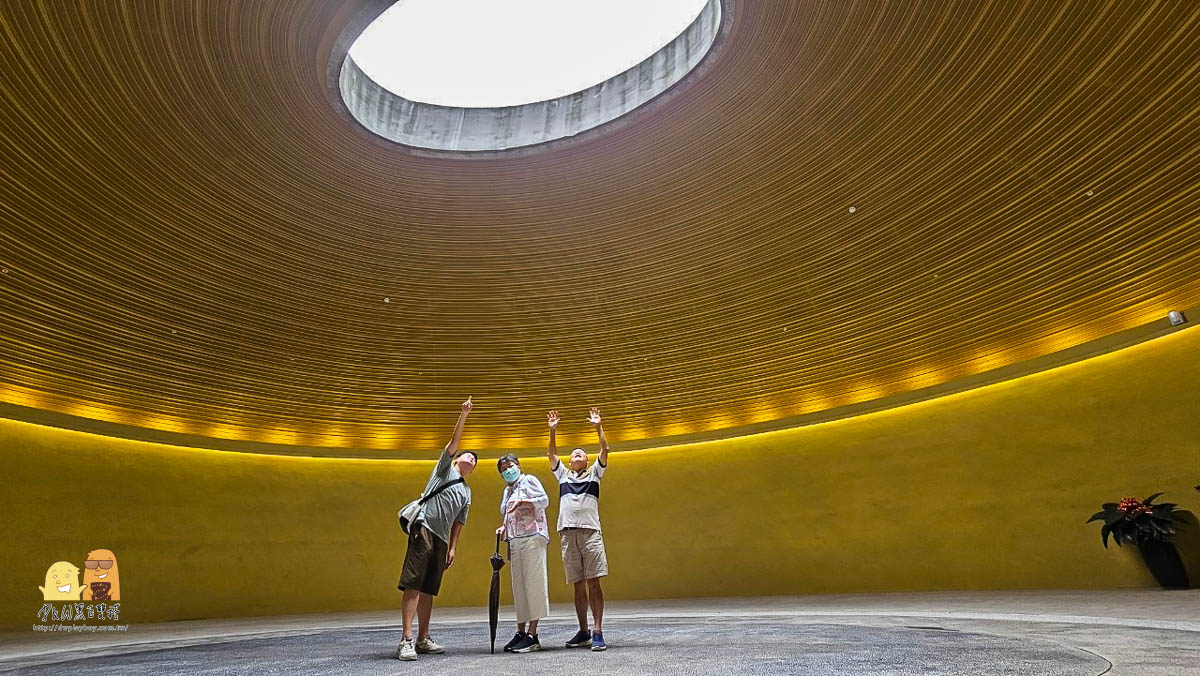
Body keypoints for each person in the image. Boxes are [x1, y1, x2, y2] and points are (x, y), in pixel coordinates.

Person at [397, 397, 477, 661]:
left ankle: (423, 638)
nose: (471, 460)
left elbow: (459, 521)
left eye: (475, 462)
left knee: (429, 588)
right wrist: (463, 415)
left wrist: (453, 547)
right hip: (425, 528)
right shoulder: (444, 470)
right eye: (468, 455)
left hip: (442, 539)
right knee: (413, 583)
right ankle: (406, 639)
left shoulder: (466, 491)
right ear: (456, 459)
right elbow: (453, 443)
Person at [546, 407, 611, 652]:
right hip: (567, 532)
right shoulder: (563, 475)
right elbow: (552, 454)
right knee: (577, 583)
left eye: (581, 453)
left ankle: (597, 631)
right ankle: (583, 631)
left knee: (594, 582)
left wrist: (598, 426)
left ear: (586, 461)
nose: (576, 454)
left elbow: (605, 450)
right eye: (573, 453)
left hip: (590, 532)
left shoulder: (595, 473)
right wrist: (552, 431)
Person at [495, 453, 551, 653]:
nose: (507, 470)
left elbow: (544, 500)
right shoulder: (507, 490)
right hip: (514, 539)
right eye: (503, 469)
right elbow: (508, 513)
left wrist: (524, 502)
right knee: (518, 586)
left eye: (510, 466)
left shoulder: (529, 480)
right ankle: (520, 632)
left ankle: (533, 634)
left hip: (532, 536)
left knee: (533, 583)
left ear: (518, 465)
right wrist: (503, 528)